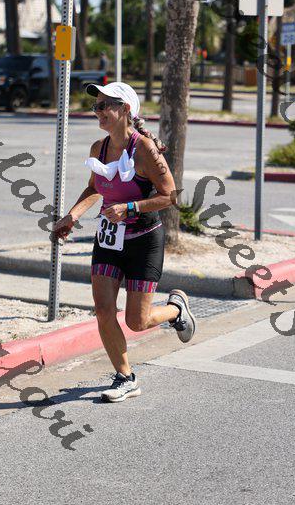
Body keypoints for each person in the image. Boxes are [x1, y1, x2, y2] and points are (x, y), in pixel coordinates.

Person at [53, 81, 196, 403]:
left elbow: (170, 196)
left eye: (105, 105)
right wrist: (72, 216)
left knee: (137, 321)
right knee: (103, 310)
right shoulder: (99, 149)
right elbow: (94, 188)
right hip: (109, 239)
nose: (99, 111)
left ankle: (175, 310)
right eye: (96, 106)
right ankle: (125, 377)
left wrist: (129, 208)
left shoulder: (144, 149)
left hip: (144, 240)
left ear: (125, 109)